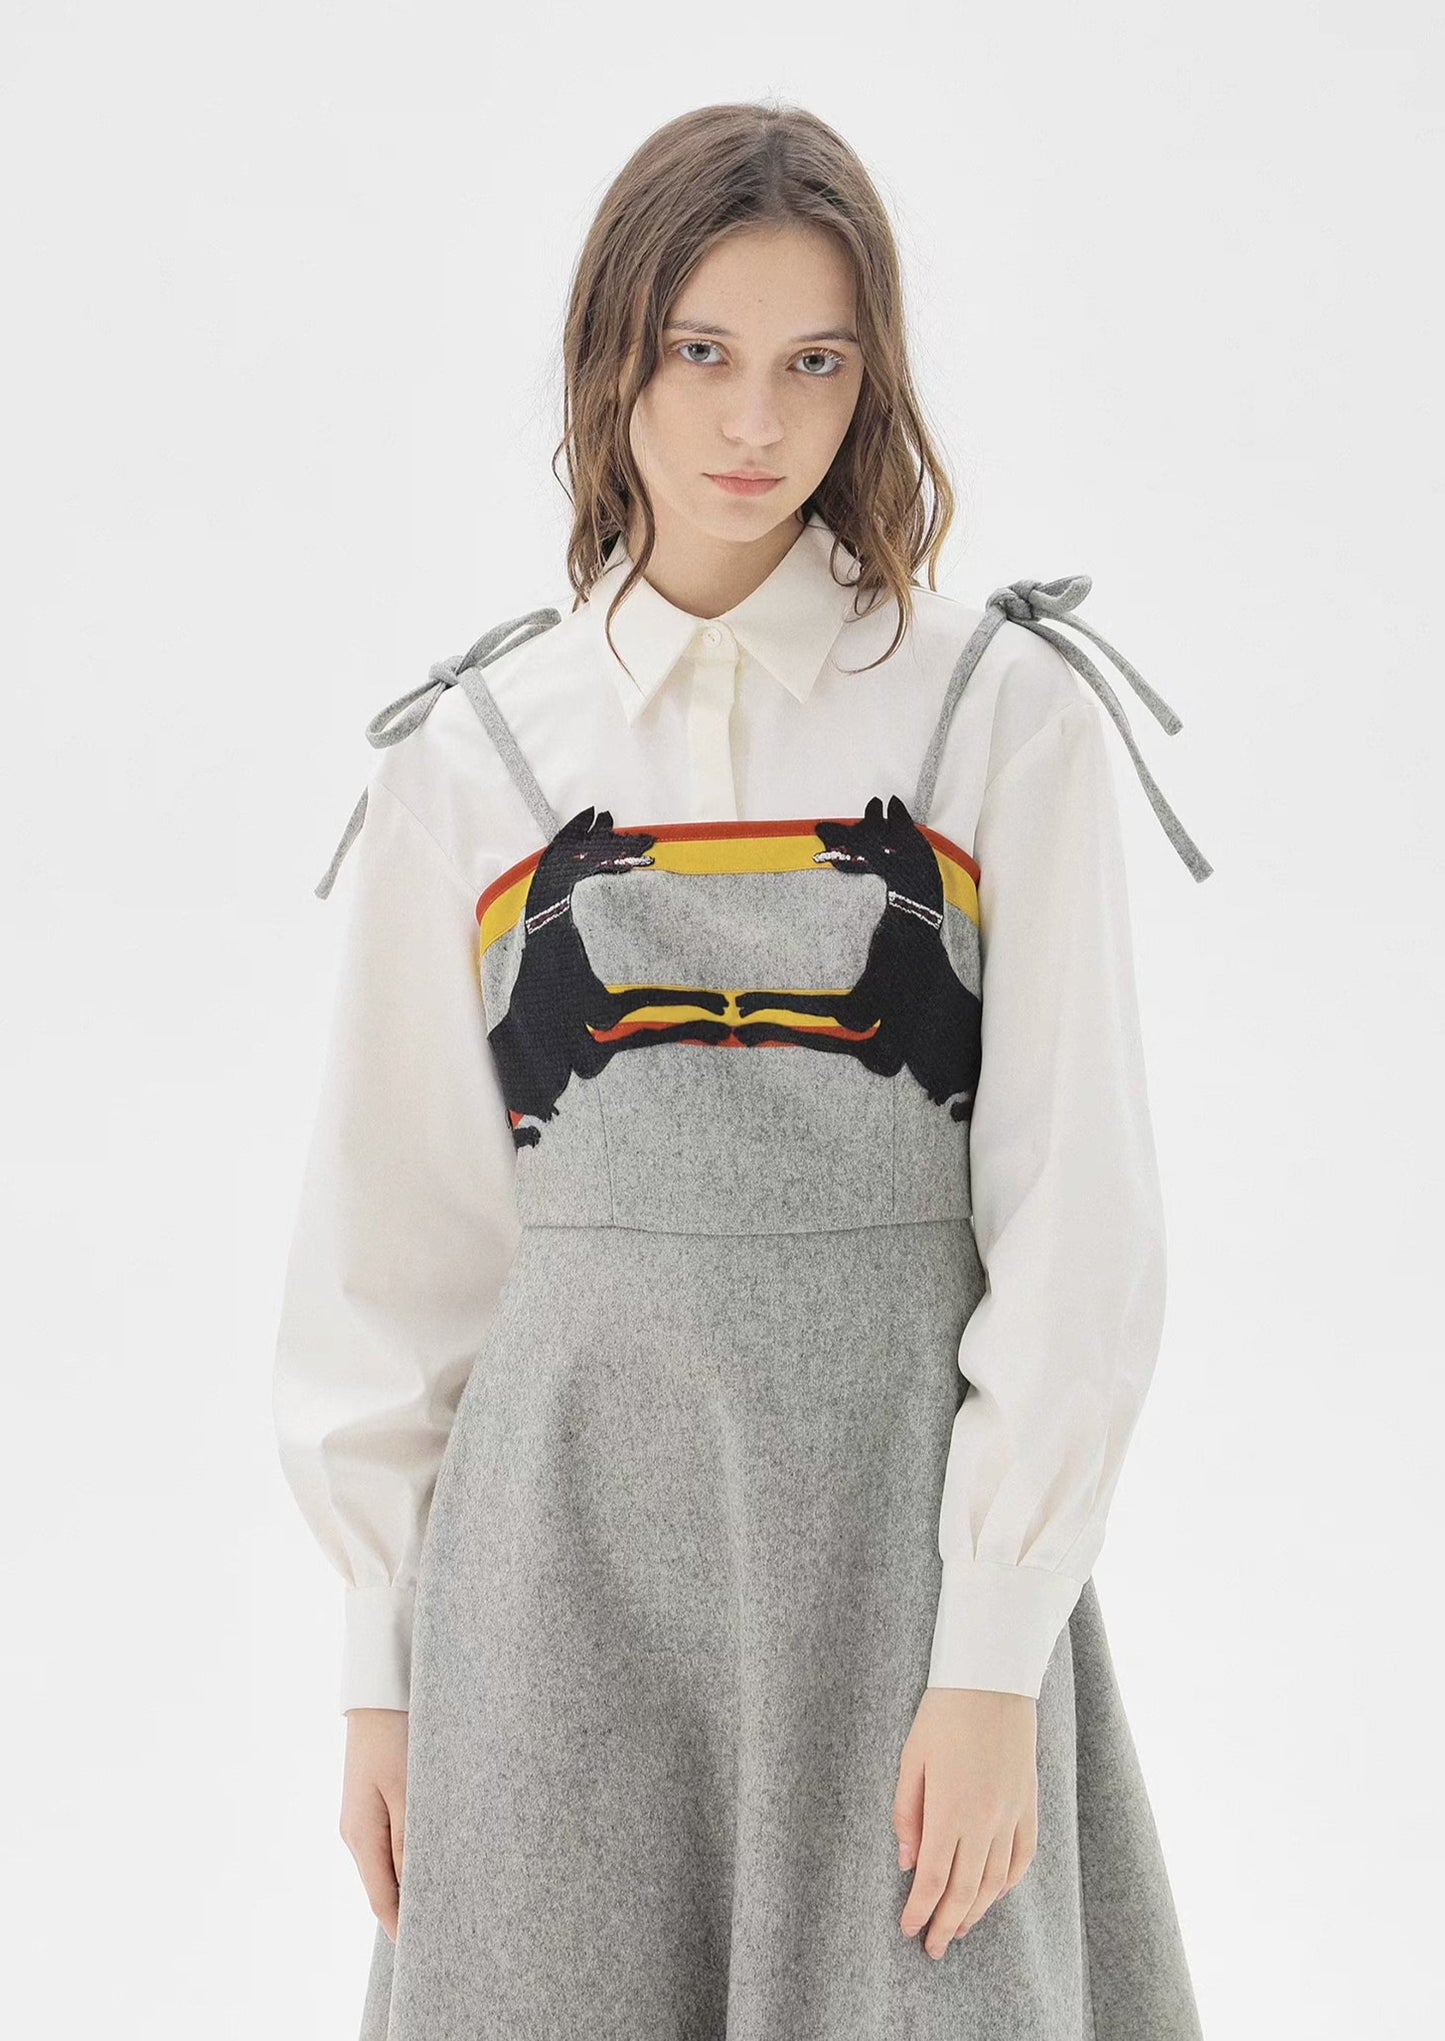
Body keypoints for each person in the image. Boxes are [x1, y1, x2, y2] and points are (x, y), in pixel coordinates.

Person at [272, 99, 1209, 2040]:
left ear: (874, 384)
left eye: (814, 363)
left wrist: (992, 1650)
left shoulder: (989, 714)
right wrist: (382, 1664)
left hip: (896, 1558)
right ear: (610, 354)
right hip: (560, 1576)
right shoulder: (478, 753)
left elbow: (1078, 1218)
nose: (753, 423)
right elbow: (400, 1252)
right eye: (699, 352)